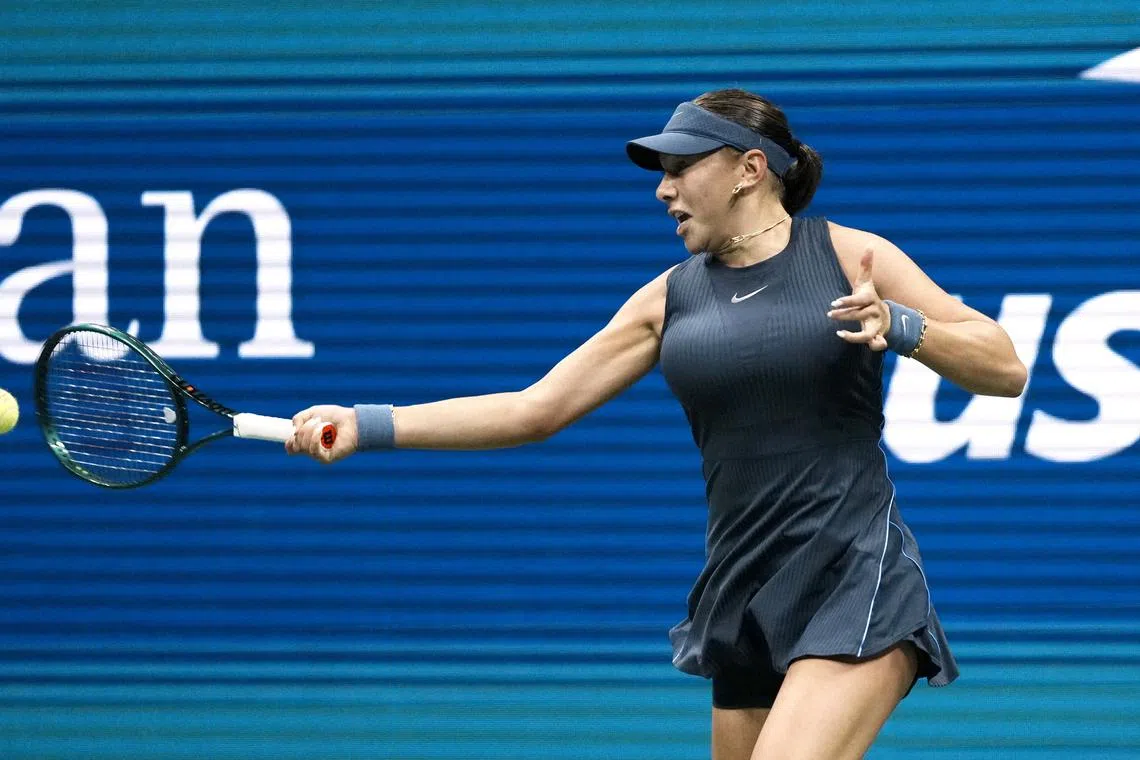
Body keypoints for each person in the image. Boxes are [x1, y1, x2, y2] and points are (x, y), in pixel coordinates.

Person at [287, 88, 1027, 760]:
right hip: (744, 589)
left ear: (748, 168)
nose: (663, 189)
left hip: (855, 575)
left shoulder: (851, 256)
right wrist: (367, 423)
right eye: (660, 171)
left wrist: (901, 324)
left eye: (680, 166)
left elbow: (1004, 366)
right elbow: (532, 409)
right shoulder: (667, 299)